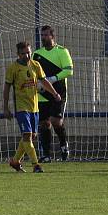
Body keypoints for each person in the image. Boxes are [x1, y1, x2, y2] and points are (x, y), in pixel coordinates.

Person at [3, 41, 60, 173]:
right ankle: (36, 164)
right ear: (18, 54)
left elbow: (44, 81)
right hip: (21, 108)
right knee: (28, 135)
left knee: (30, 136)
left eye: (28, 52)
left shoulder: (36, 65)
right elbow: (6, 88)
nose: (26, 55)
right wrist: (5, 107)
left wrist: (55, 93)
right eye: (23, 54)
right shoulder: (13, 68)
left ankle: (15, 161)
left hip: (34, 107)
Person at [32, 25, 74, 162]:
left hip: (58, 92)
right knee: (44, 123)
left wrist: (53, 78)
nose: (43, 37)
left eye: (46, 35)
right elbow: (33, 73)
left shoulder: (62, 51)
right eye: (42, 35)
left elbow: (69, 70)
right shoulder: (37, 54)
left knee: (56, 121)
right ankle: (46, 154)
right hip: (42, 93)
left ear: (52, 36)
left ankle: (63, 145)